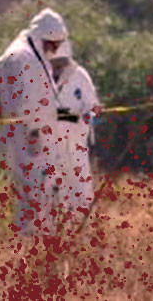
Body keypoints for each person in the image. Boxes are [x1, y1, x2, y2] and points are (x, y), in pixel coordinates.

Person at [0, 8, 67, 236]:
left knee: (27, 192)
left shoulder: (14, 54)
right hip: (31, 138)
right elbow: (30, 103)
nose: (54, 50)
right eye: (52, 44)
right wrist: (34, 136)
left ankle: (29, 241)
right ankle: (33, 245)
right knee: (36, 193)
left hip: (16, 134)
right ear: (43, 38)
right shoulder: (27, 59)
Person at [47, 41, 99, 228]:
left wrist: (90, 115)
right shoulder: (40, 77)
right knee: (54, 186)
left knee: (80, 183)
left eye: (61, 61)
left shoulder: (79, 75)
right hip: (50, 142)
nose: (58, 66)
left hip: (76, 139)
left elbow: (93, 105)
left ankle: (85, 227)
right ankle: (58, 229)